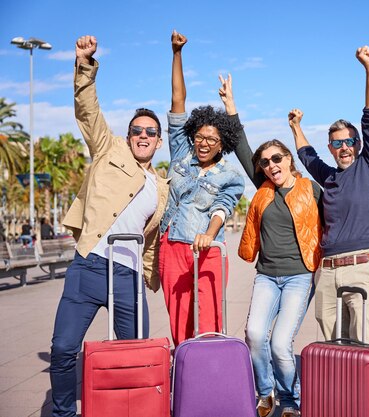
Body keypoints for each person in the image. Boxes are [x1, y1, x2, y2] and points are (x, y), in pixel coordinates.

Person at [50, 35, 169, 417]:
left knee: (134, 354)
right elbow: (87, 110)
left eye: (151, 132)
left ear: (159, 141)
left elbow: (152, 240)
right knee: (64, 348)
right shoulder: (108, 148)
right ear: (129, 134)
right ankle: (65, 412)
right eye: (137, 130)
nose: (143, 136)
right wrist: (85, 65)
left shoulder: (161, 186)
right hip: (89, 265)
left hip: (129, 276)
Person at [221, 71, 322, 417]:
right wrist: (230, 105)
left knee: (281, 343)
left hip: (299, 275)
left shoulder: (311, 189)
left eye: (277, 158)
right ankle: (265, 393)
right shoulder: (263, 187)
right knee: (253, 335)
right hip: (266, 274)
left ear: (289, 159)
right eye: (265, 162)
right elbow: (240, 146)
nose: (271, 165)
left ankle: (290, 399)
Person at [291, 46, 369, 347]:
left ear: (357, 144)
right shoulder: (329, 177)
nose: (344, 147)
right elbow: (307, 157)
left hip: (363, 266)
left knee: (366, 346)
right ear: (331, 148)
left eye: (349, 141)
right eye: (337, 143)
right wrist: (295, 127)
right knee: (334, 350)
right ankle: (339, 396)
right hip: (328, 271)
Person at [159, 31, 244, 346]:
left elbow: (223, 206)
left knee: (209, 321)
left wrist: (209, 232)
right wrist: (177, 54)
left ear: (223, 143)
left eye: (213, 139)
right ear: (193, 135)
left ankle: (210, 373)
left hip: (207, 249)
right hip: (172, 246)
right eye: (200, 136)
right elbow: (177, 102)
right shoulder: (182, 153)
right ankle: (184, 373)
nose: (205, 143)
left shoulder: (230, 174)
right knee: (179, 321)